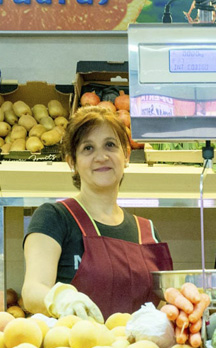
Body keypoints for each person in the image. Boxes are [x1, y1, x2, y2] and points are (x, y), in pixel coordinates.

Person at [22, 105, 172, 321]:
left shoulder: (147, 231)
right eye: (88, 148)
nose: (101, 157)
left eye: (110, 145)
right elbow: (33, 290)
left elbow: (162, 304)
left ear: (126, 156)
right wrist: (61, 299)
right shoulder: (54, 217)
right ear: (72, 162)